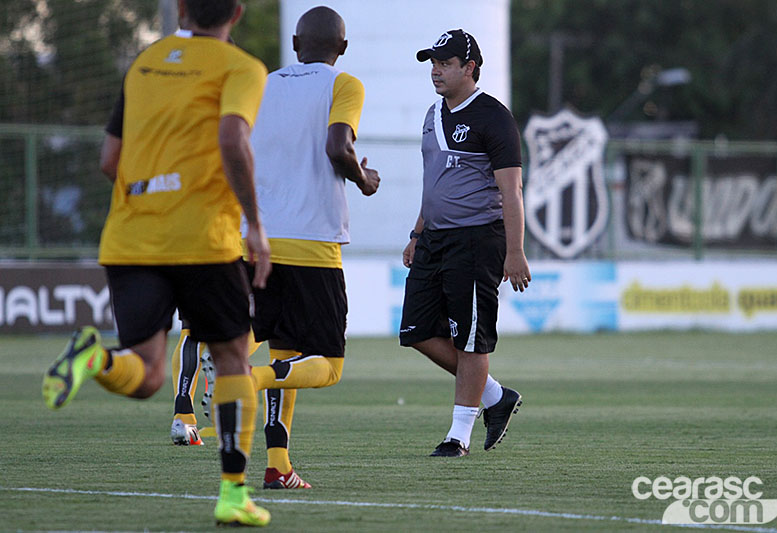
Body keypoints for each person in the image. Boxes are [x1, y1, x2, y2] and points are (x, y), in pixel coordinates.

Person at [41, 0, 272, 526]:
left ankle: (94, 357)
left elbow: (108, 160)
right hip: (203, 240)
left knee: (145, 375)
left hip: (130, 238)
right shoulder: (242, 67)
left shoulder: (144, 62)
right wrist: (254, 223)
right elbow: (234, 137)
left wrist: (148, 200)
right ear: (236, 13)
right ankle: (234, 494)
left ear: (184, 8)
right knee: (235, 356)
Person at [168, 5, 380, 488]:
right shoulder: (344, 84)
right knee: (326, 367)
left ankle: (278, 465)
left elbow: (230, 144)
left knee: (284, 351)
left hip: (255, 240)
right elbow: (337, 147)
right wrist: (364, 179)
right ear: (341, 49)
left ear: (295, 45)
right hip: (312, 245)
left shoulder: (260, 82)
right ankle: (250, 377)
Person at [399, 29, 531, 457]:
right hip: (434, 238)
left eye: (444, 63)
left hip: (477, 239)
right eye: (432, 63)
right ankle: (494, 396)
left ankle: (458, 436)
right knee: (415, 330)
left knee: (472, 339)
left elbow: (511, 191)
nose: (435, 71)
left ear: (469, 68)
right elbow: (434, 184)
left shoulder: (492, 116)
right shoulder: (432, 114)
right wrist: (418, 233)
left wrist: (515, 251)